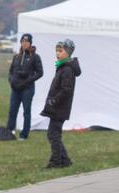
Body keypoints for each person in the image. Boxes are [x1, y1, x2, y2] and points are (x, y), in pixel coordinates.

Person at [41, 39, 81, 168]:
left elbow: (66, 90)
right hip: (57, 107)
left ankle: (56, 162)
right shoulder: (62, 67)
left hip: (60, 108)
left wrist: (54, 100)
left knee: (53, 135)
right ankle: (65, 160)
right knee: (53, 134)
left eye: (61, 51)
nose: (57, 53)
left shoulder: (67, 70)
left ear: (68, 52)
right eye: (57, 51)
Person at [6, 33, 43, 140]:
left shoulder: (35, 57)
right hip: (15, 88)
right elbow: (11, 71)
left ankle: (24, 134)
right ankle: (10, 131)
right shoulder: (16, 57)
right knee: (12, 110)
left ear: (30, 43)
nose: (24, 43)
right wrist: (11, 80)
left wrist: (28, 80)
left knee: (26, 111)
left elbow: (40, 72)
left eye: (26, 41)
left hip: (27, 89)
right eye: (22, 41)